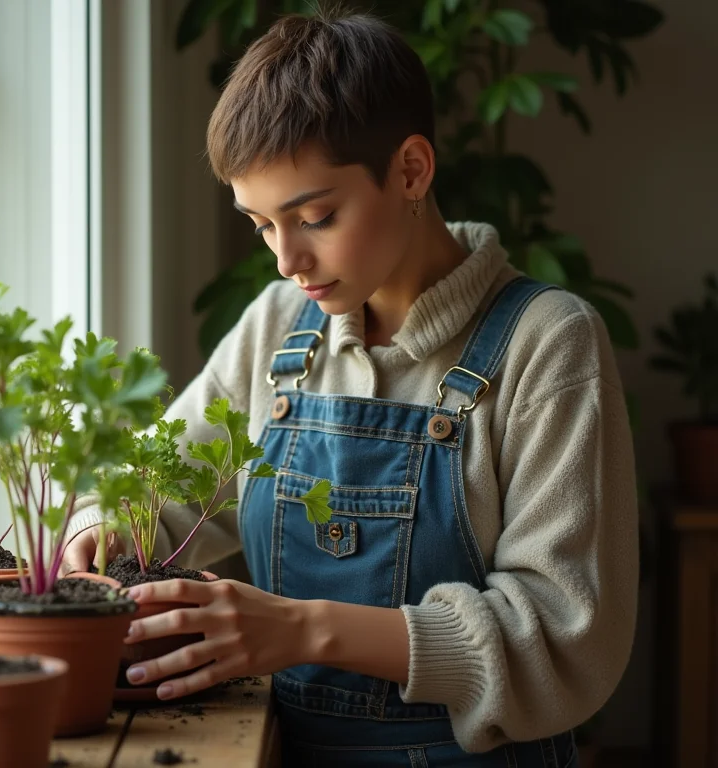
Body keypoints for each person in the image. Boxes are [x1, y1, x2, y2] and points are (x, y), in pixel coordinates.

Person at [61, 9, 638, 766]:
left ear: (410, 171)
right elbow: (159, 484)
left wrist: (301, 629)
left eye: (315, 216)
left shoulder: (548, 343)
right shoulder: (280, 324)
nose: (286, 260)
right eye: (261, 224)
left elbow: (566, 635)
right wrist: (98, 530)